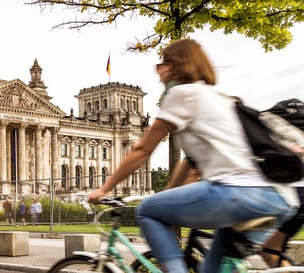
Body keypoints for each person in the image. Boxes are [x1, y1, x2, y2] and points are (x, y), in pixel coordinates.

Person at [86, 38, 297, 273]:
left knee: (146, 210)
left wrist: (105, 188)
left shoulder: (181, 94)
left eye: (163, 64)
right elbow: (192, 162)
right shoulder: (223, 98)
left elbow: (142, 150)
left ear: (177, 66)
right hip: (278, 197)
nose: (159, 72)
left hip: (235, 192)